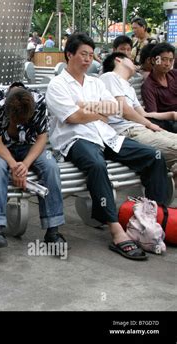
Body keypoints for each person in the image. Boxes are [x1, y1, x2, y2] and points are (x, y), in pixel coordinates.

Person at [46, 33, 169, 261]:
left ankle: (152, 219)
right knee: (96, 164)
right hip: (75, 140)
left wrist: (86, 107)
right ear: (69, 54)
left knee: (154, 156)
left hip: (106, 136)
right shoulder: (57, 85)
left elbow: (114, 109)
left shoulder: (95, 81)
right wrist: (95, 112)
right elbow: (72, 118)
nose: (87, 59)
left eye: (91, 55)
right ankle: (117, 231)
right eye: (83, 54)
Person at [0, 82, 66, 249]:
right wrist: (14, 166)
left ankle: (53, 230)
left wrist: (25, 165)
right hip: (1, 148)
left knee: (51, 166)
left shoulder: (39, 101)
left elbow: (42, 138)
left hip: (29, 145)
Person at [100, 52, 177, 176]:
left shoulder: (129, 87)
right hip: (127, 133)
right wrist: (150, 125)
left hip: (143, 129)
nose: (134, 62)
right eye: (130, 59)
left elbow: (143, 114)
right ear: (118, 60)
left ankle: (170, 183)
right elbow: (123, 110)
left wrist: (172, 114)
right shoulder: (110, 77)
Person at [141, 42, 177, 133]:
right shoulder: (148, 86)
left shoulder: (174, 75)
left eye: (170, 60)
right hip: (169, 123)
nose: (167, 64)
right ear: (153, 60)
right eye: (164, 59)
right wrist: (172, 115)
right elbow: (153, 115)